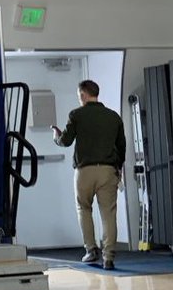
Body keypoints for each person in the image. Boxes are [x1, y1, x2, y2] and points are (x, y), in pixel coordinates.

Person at [51, 79, 127, 270]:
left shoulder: (77, 115)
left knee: (84, 208)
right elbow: (122, 146)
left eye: (79, 96)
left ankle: (90, 250)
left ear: (83, 95)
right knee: (108, 213)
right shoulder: (113, 117)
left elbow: (66, 141)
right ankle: (108, 257)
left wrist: (56, 137)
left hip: (84, 171)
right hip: (108, 170)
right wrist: (118, 168)